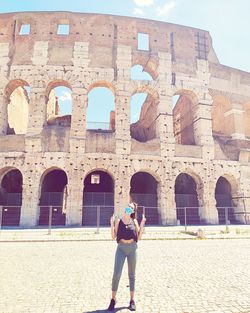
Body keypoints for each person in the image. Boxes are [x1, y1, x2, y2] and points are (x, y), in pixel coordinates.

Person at [107, 202, 146, 311]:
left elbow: (139, 237)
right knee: (116, 274)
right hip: (121, 249)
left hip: (133, 249)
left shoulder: (134, 222)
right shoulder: (119, 221)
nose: (129, 208)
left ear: (133, 211)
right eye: (128, 206)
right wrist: (111, 223)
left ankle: (132, 300)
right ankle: (113, 299)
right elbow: (113, 236)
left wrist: (142, 224)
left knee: (132, 275)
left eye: (131, 208)